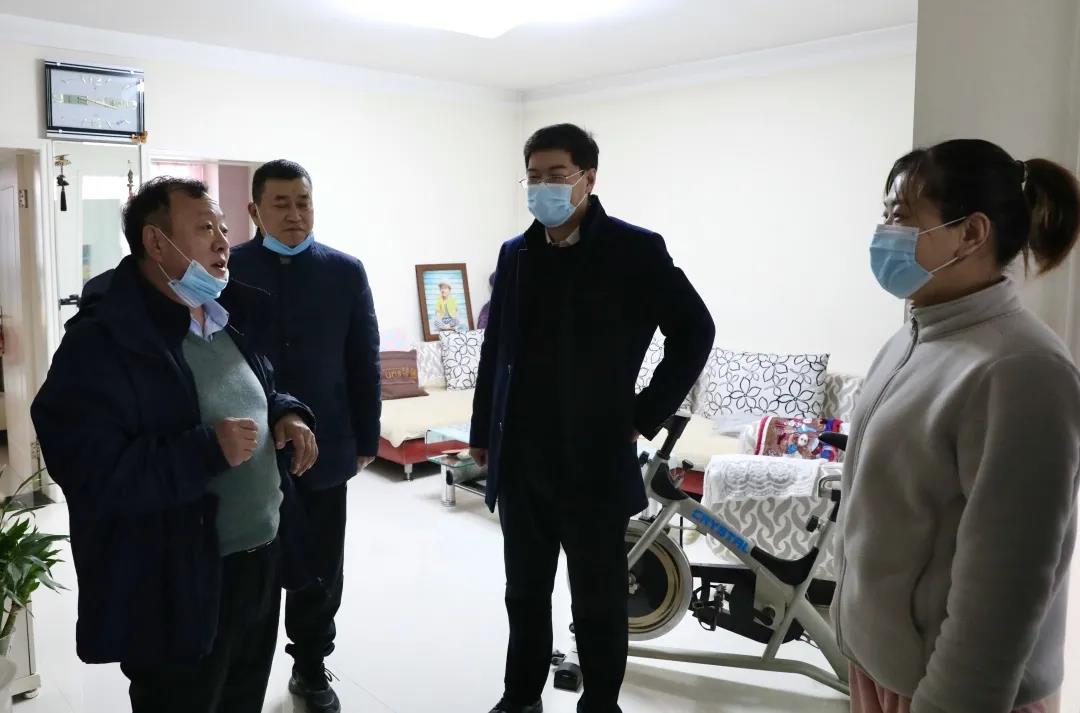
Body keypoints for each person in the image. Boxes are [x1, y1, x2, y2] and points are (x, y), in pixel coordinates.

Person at [31, 177, 319, 713]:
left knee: (242, 699)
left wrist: (286, 412)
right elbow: (89, 470)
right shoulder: (102, 341)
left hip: (259, 562)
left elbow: (257, 386)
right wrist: (205, 451)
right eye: (205, 228)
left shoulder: (225, 315)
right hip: (174, 583)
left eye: (224, 228)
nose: (223, 241)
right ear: (155, 243)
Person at [470, 123, 714, 713]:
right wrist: (483, 433)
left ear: (589, 178)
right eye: (533, 177)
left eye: (557, 175)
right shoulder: (515, 253)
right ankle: (520, 695)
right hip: (523, 458)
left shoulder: (635, 250)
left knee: (598, 599)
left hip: (593, 460)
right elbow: (495, 350)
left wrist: (645, 412)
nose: (543, 188)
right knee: (524, 593)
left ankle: (601, 703)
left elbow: (694, 330)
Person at [836, 139, 1080, 713]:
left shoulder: (1022, 369)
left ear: (970, 233)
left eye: (900, 216)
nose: (884, 233)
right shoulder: (915, 336)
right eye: (884, 215)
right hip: (886, 669)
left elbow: (1006, 588)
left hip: (949, 692)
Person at [229, 159, 381, 713]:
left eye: (303, 202)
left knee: (321, 567)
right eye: (281, 204)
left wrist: (367, 438)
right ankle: (243, 674)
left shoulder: (345, 271)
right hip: (250, 450)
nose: (295, 214)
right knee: (256, 566)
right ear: (255, 211)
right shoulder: (229, 269)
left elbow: (363, 360)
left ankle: (311, 666)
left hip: (327, 444)